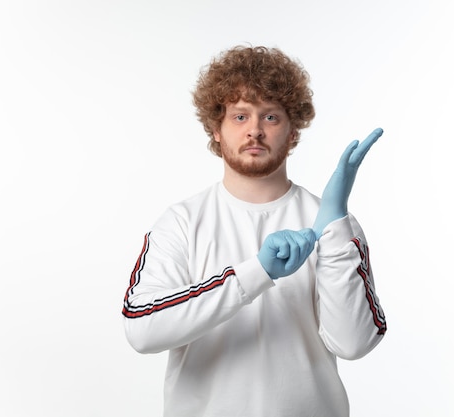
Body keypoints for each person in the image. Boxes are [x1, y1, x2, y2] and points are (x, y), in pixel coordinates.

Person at [121, 45, 387, 417]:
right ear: (216, 129)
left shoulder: (330, 222)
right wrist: (257, 273)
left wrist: (334, 227)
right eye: (240, 116)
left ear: (293, 132)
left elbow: (354, 343)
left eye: (272, 117)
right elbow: (141, 327)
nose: (256, 131)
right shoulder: (181, 221)